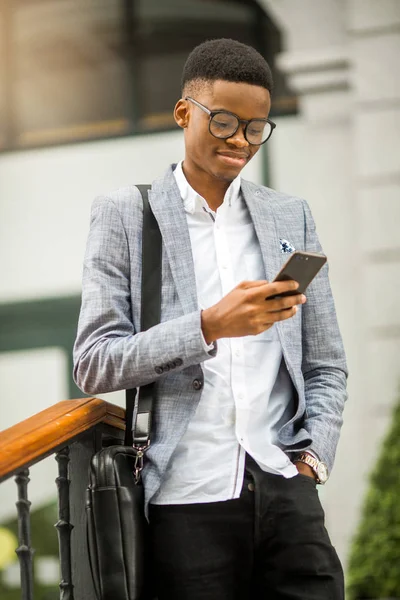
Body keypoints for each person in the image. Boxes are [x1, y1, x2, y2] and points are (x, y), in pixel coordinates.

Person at [73, 38, 348, 600]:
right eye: (223, 121)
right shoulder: (128, 213)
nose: (240, 140)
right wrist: (207, 327)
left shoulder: (287, 214)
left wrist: (312, 460)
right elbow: (94, 362)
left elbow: (325, 361)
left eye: (256, 127)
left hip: (285, 486)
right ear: (183, 113)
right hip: (185, 495)